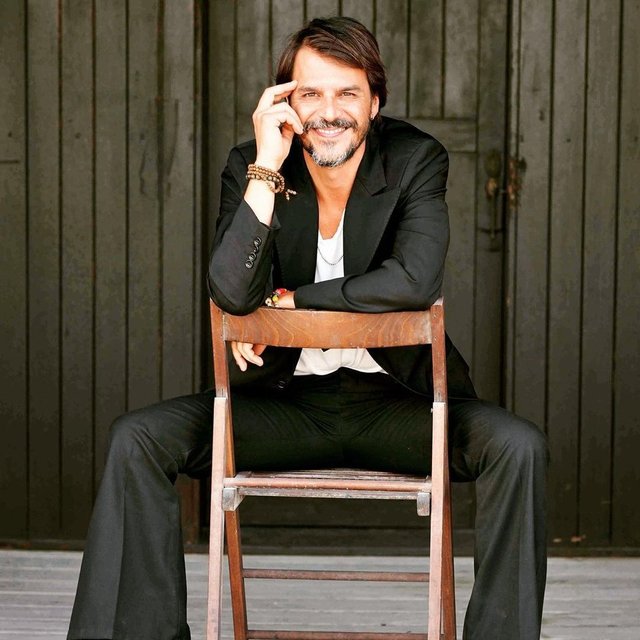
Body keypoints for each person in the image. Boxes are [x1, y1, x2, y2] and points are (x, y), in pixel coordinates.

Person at [68, 16, 548, 640]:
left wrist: (292, 305)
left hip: (401, 409)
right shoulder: (253, 164)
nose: (329, 111)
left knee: (519, 446)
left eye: (347, 92)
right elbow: (230, 292)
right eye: (310, 93)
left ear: (374, 102)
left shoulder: (414, 158)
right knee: (137, 438)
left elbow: (413, 281)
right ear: (284, 101)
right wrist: (267, 164)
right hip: (282, 405)